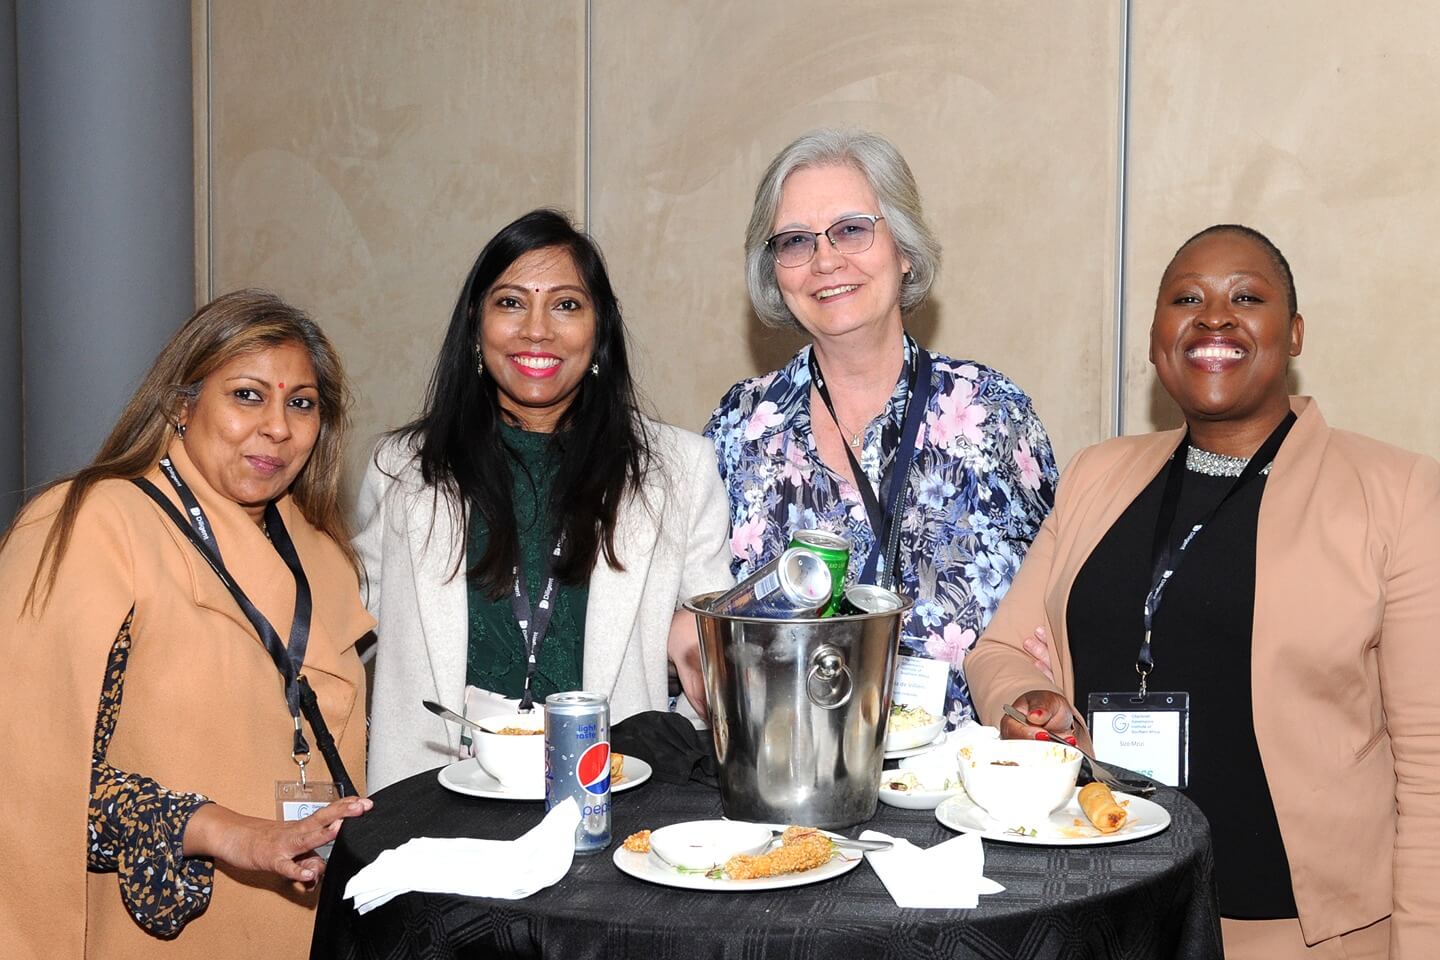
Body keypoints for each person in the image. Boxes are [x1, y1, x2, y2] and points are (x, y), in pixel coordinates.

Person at [966, 224, 1440, 958]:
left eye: (1246, 296)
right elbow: (998, 651)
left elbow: (1430, 761)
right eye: (1186, 297)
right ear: (1158, 337)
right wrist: (1028, 702)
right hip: (1106, 910)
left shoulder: (1395, 492)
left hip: (1304, 935)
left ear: (1295, 333)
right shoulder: (1098, 476)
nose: (1213, 316)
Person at [0, 291, 375, 959]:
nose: (278, 428)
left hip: (309, 921)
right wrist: (218, 830)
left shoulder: (319, 550)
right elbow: (35, 779)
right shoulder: (93, 525)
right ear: (181, 404)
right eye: (248, 395)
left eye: (301, 403)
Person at [359, 209, 733, 791]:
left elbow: (706, 646)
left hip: (610, 800)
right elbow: (346, 631)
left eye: (565, 304)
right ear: (476, 326)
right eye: (510, 302)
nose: (537, 329)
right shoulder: (403, 469)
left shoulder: (680, 470)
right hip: (432, 802)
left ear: (600, 328)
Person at [706, 128, 1057, 725]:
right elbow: (702, 623)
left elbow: (1061, 592)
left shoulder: (994, 414)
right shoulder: (739, 429)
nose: (825, 260)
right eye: (795, 240)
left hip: (964, 792)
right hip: (790, 779)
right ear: (774, 271)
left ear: (906, 249)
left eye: (851, 229)